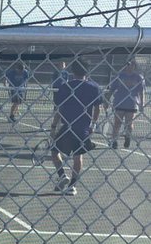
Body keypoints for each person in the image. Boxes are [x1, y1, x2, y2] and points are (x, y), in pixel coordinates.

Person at [49, 59, 103, 195]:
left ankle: (62, 175)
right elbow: (98, 108)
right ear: (87, 71)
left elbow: (59, 109)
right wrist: (93, 124)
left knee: (54, 152)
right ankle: (71, 185)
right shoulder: (94, 87)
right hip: (82, 128)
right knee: (78, 156)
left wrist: (53, 126)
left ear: (72, 71)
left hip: (67, 126)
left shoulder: (65, 86)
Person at [105, 58, 145, 149]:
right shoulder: (119, 76)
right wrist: (107, 100)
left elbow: (141, 92)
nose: (129, 66)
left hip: (132, 103)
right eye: (128, 64)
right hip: (119, 102)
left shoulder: (139, 77)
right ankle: (114, 141)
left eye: (131, 64)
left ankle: (127, 137)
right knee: (117, 123)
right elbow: (112, 89)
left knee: (129, 123)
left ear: (134, 66)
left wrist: (142, 104)